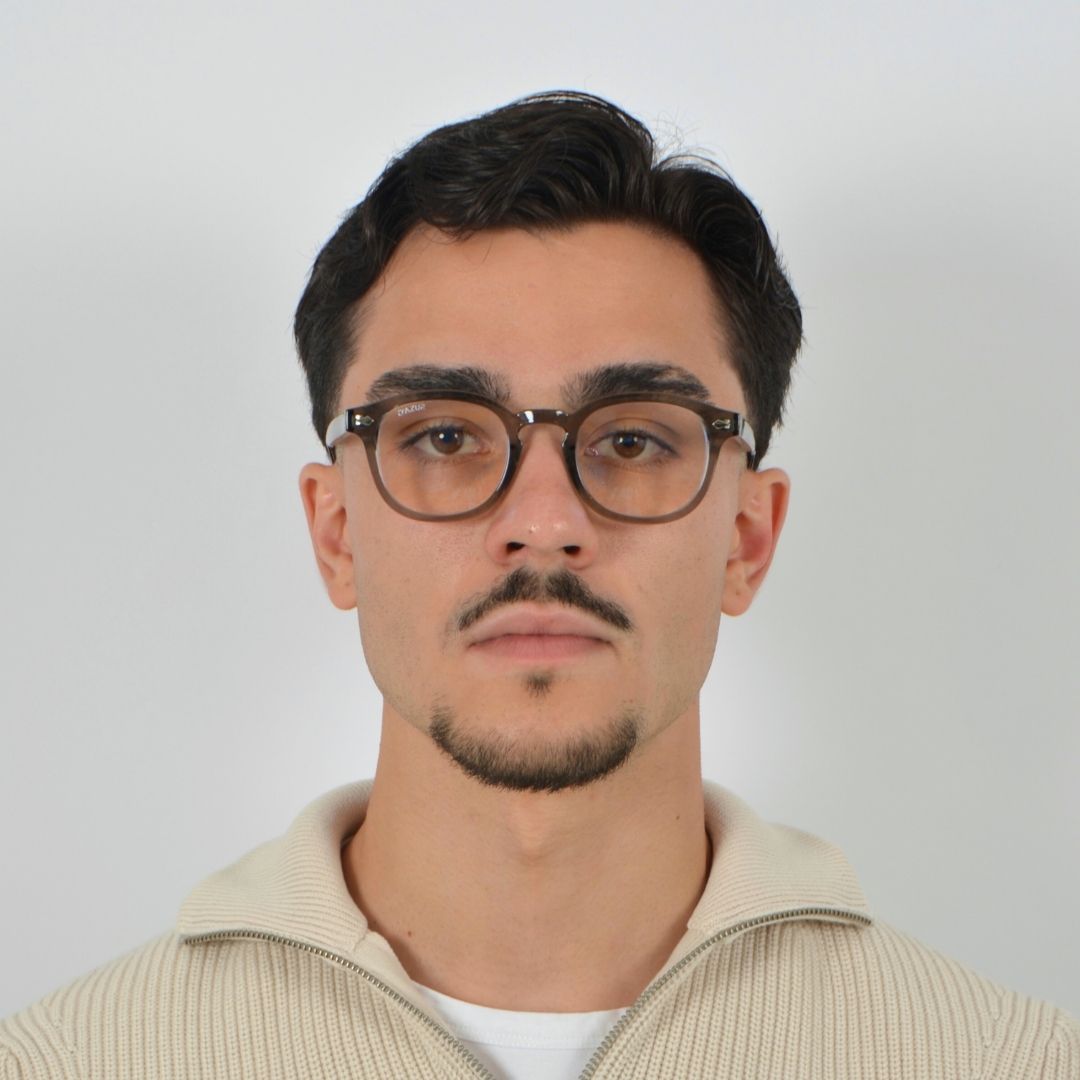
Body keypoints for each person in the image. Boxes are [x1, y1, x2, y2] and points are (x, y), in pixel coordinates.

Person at [1, 90, 1076, 1080]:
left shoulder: (1003, 1062)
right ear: (336, 534)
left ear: (748, 538)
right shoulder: (71, 1061)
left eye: (634, 440)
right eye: (445, 436)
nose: (546, 524)